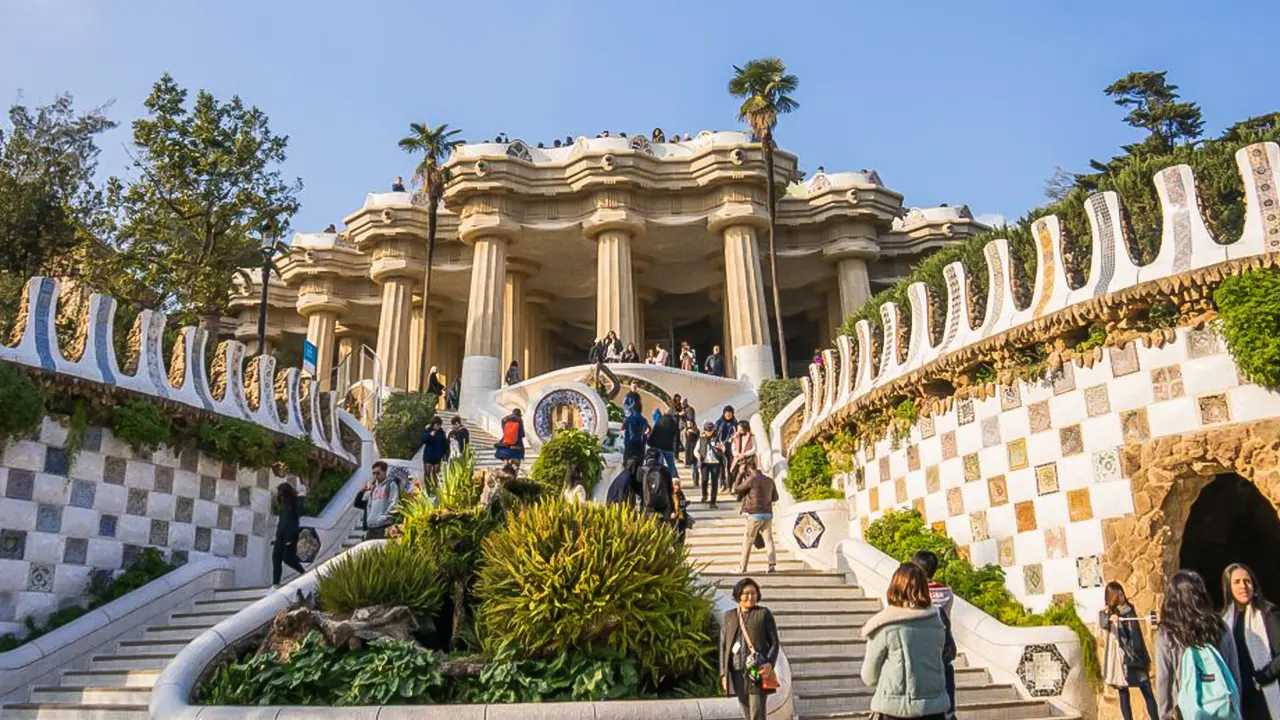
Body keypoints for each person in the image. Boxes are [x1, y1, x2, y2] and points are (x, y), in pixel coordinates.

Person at [860, 563, 951, 720]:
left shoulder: (884, 625)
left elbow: (869, 677)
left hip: (895, 711)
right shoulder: (937, 623)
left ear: (894, 587)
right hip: (934, 710)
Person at [1155, 569, 1243, 720]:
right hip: (1223, 708)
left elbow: (1164, 679)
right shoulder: (1219, 626)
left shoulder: (1167, 633)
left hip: (1189, 712)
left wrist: (1165, 715)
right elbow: (1233, 671)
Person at [1222, 563, 1280, 720]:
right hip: (1239, 697)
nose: (1243, 586)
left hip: (1264, 695)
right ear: (1228, 587)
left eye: (1247, 581)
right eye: (1237, 582)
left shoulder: (1268, 614)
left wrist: (1260, 679)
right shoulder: (1225, 620)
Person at [719, 577, 780, 720]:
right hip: (737, 671)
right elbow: (723, 646)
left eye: (754, 593)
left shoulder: (763, 614)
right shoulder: (729, 616)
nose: (750, 597)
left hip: (756, 670)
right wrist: (723, 674)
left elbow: (774, 642)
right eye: (746, 593)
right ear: (738, 594)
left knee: (757, 713)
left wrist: (770, 663)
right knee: (746, 712)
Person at [1101, 580, 1158, 720]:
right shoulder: (1107, 613)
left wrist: (1144, 656)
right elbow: (1103, 625)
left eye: (1121, 593)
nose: (1122, 596)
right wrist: (1110, 618)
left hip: (1135, 656)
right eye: (1118, 594)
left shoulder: (1129, 609)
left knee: (1147, 690)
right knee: (1123, 693)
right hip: (1121, 660)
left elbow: (1136, 635)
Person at [911, 550, 958, 720]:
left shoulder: (912, 593)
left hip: (920, 653)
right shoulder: (946, 592)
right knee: (947, 706)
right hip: (942, 649)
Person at [733, 456, 777, 574]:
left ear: (748, 468)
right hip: (767, 514)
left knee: (748, 541)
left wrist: (740, 474)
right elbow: (775, 497)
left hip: (755, 515)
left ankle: (742, 567)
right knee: (769, 540)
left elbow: (736, 489)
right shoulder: (769, 480)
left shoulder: (752, 479)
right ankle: (771, 565)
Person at [271, 482, 306, 586]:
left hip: (290, 533)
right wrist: (277, 537)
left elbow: (299, 513)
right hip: (280, 534)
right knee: (276, 557)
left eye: (281, 494)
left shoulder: (295, 500)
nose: (280, 497)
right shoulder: (283, 503)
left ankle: (303, 572)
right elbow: (282, 520)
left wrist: (301, 498)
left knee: (287, 558)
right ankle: (275, 584)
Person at [355, 461, 400, 540]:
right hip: (371, 526)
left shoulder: (391, 484)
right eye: (374, 473)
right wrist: (362, 491)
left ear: (384, 472)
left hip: (384, 526)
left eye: (378, 473)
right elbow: (363, 505)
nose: (376, 475)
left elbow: (394, 503)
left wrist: (384, 518)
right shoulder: (373, 488)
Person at [648, 406, 682, 480]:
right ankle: (675, 478)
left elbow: (654, 432)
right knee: (671, 464)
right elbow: (675, 436)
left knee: (659, 463)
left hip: (658, 446)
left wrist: (650, 442)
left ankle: (659, 478)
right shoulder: (674, 423)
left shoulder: (660, 421)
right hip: (669, 447)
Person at [697, 421, 724, 507]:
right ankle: (704, 495)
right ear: (704, 430)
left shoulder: (717, 438)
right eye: (707, 430)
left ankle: (713, 501)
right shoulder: (701, 439)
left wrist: (721, 448)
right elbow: (695, 450)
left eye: (710, 430)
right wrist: (698, 456)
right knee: (704, 480)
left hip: (715, 463)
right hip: (705, 463)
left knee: (714, 482)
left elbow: (723, 449)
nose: (709, 432)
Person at [495, 408, 526, 474]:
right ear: (519, 415)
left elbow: (503, 427)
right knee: (516, 465)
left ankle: (506, 469)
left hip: (505, 447)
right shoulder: (519, 421)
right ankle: (514, 477)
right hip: (517, 447)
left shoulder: (506, 421)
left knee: (506, 463)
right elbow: (522, 434)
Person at [715, 406, 738, 492]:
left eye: (730, 413)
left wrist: (733, 437)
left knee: (730, 465)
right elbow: (715, 433)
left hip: (730, 446)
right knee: (721, 465)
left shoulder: (735, 422)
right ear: (724, 413)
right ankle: (722, 483)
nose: (728, 415)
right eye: (727, 413)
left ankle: (730, 484)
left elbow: (737, 432)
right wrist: (717, 444)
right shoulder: (719, 422)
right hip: (720, 446)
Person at [420, 416, 450, 482]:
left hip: (438, 457)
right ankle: (428, 489)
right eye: (437, 424)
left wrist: (445, 454)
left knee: (436, 474)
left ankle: (435, 488)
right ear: (433, 424)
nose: (438, 426)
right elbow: (424, 440)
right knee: (427, 473)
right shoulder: (428, 430)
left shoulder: (442, 433)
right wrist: (430, 435)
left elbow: (445, 444)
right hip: (428, 456)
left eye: (439, 425)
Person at [730, 420, 757, 489]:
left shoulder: (751, 437)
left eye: (740, 428)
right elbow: (733, 448)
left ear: (745, 428)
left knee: (748, 475)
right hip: (738, 459)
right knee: (738, 474)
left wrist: (745, 454)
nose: (738, 430)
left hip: (749, 459)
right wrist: (737, 454)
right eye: (738, 428)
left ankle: (744, 490)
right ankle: (737, 489)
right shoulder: (736, 436)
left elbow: (754, 448)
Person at [622, 407, 650, 473]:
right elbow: (646, 433)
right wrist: (643, 444)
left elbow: (623, 430)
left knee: (627, 466)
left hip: (630, 445)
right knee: (639, 466)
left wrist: (626, 444)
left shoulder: (628, 419)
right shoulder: (644, 420)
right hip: (640, 446)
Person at [671, 476, 690, 544]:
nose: (677, 486)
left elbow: (682, 503)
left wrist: (685, 503)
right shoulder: (669, 494)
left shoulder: (681, 493)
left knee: (681, 539)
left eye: (678, 484)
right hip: (673, 520)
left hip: (681, 519)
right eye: (675, 484)